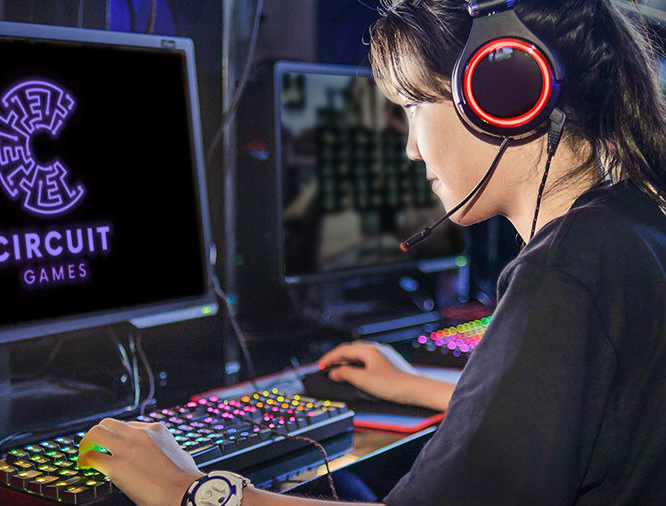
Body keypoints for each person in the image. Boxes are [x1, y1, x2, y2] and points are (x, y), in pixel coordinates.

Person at [77, 0, 666, 504]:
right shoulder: (629, 226)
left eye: (413, 107)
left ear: (501, 92)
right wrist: (418, 387)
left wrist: (191, 489)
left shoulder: (567, 270)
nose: (411, 148)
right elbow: (583, 416)